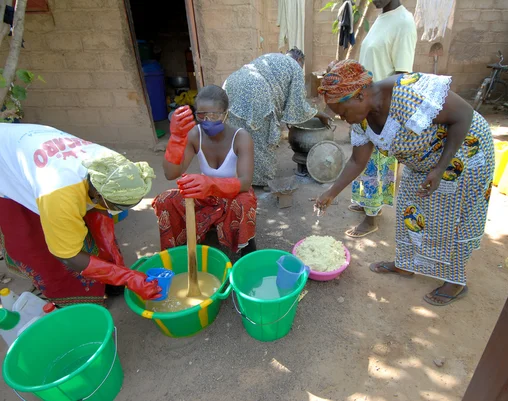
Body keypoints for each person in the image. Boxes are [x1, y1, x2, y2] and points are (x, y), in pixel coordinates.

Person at [316, 60, 494, 306]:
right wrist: (331, 192)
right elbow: (357, 161)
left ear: (360, 95)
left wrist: (441, 168)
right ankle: (406, 265)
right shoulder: (362, 121)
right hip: (422, 161)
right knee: (410, 208)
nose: (344, 119)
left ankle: (455, 281)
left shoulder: (407, 92)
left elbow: (463, 114)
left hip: (465, 151)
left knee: (453, 217)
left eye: (343, 113)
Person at [0, 124, 160, 306]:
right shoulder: (58, 193)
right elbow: (68, 256)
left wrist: (111, 255)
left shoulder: (113, 166)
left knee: (94, 233)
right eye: (118, 206)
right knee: (40, 243)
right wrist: (128, 277)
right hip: (7, 164)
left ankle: (108, 276)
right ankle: (69, 297)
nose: (122, 210)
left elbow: (99, 209)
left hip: (35, 148)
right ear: (99, 194)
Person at [153, 85, 257, 255]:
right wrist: (176, 139)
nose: (207, 120)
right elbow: (170, 173)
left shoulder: (240, 137)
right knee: (165, 200)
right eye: (201, 115)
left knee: (245, 201)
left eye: (214, 115)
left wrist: (211, 183)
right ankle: (176, 253)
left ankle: (246, 251)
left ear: (225, 114)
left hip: (232, 195)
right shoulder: (195, 134)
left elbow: (245, 182)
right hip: (205, 193)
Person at [346, 0, 417, 238]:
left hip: (381, 108)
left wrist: (375, 101)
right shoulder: (382, 17)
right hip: (365, 103)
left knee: (375, 161)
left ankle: (371, 217)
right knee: (361, 157)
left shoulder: (404, 22)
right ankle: (366, 202)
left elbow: (402, 75)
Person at [223, 48, 331, 187]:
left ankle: (235, 176)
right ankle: (261, 181)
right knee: (262, 140)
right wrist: (319, 114)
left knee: (238, 135)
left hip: (231, 84)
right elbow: (298, 105)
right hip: (256, 91)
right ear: (299, 60)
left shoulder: (270, 57)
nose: (301, 69)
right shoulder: (294, 66)